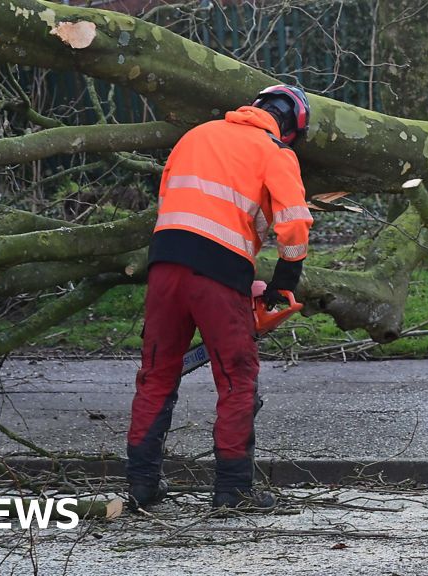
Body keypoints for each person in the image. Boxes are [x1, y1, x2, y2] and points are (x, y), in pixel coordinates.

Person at [125, 85, 313, 513]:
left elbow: (181, 205)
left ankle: (140, 488)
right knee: (236, 379)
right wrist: (288, 273)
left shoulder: (197, 135)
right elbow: (294, 222)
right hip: (218, 272)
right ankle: (233, 490)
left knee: (156, 375)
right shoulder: (274, 151)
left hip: (166, 261)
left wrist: (239, 275)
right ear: (291, 128)